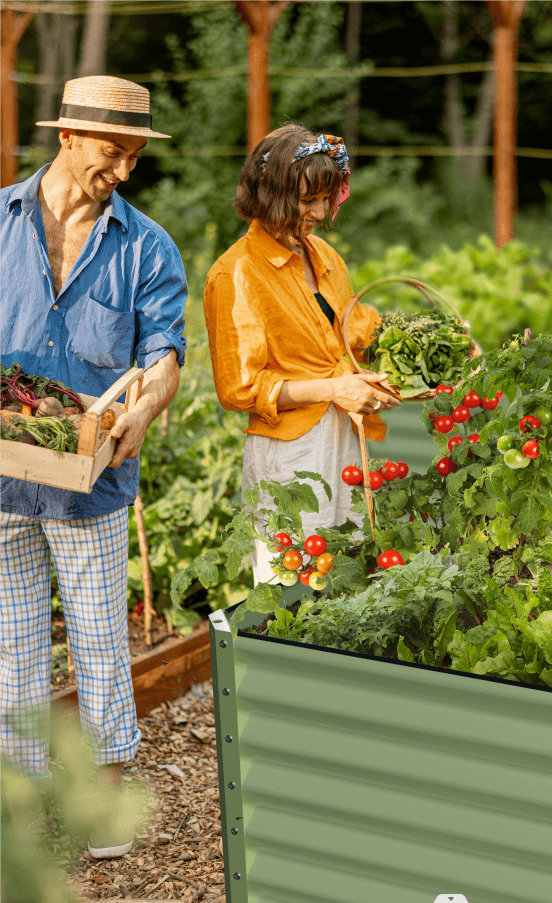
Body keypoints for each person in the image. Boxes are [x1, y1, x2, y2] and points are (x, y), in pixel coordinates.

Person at [0, 76, 187, 858]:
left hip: (92, 478)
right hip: (5, 472)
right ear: (68, 138)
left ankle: (103, 801)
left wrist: (144, 408)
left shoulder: (146, 244)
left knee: (101, 634)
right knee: (11, 641)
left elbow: (165, 353)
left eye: (136, 155)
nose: (125, 170)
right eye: (114, 151)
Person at [204, 124, 400, 583]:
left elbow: (357, 330)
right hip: (291, 449)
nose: (317, 212)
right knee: (293, 583)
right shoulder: (236, 272)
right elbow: (241, 389)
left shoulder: (323, 254)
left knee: (349, 573)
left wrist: (432, 348)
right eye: (306, 199)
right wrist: (336, 387)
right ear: (270, 192)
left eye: (325, 199)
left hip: (344, 432)